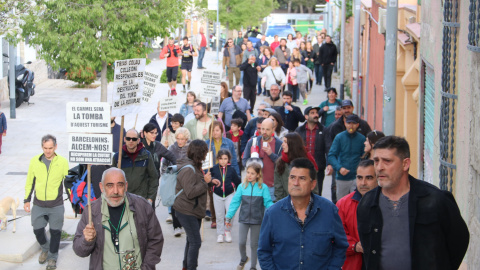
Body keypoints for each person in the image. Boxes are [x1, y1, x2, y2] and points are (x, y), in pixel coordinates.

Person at [357, 136, 470, 270]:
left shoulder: (435, 200)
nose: (379, 167)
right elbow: (369, 250)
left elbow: (459, 241)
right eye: (376, 161)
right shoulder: (367, 203)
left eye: (387, 161)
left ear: (405, 164)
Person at [258, 158, 349, 270]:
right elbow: (264, 251)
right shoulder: (272, 214)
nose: (295, 183)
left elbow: (341, 246)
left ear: (313, 184)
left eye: (302, 178)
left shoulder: (329, 211)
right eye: (292, 178)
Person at [72, 168, 163, 269]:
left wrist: (146, 267)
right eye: (110, 185)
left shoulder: (142, 207)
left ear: (126, 186)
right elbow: (79, 250)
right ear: (101, 187)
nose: (115, 191)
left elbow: (156, 240)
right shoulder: (91, 211)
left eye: (120, 185)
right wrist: (87, 240)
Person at [173, 140, 221, 270]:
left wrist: (210, 182)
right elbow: (190, 192)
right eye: (205, 152)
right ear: (199, 153)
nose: (206, 155)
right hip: (186, 210)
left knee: (191, 240)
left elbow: (196, 183)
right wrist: (205, 183)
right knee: (195, 242)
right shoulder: (188, 169)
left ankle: (186, 266)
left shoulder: (195, 165)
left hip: (193, 210)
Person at [24, 135, 69, 270]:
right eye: (45, 148)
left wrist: (74, 202)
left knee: (55, 232)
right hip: (38, 204)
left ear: (55, 147)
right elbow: (30, 182)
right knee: (37, 229)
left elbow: (68, 183)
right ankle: (45, 248)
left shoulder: (62, 162)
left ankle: (52, 258)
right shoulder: (34, 161)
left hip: (56, 204)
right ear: (42, 147)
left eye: (50, 148)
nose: (48, 151)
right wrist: (27, 200)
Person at [225, 162, 274, 270]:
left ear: (258, 175)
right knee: (241, 242)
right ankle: (243, 258)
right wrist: (228, 216)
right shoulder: (242, 187)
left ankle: (253, 267)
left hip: (257, 220)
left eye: (252, 173)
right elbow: (235, 202)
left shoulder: (263, 188)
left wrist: (276, 210)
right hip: (244, 219)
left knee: (254, 245)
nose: (249, 175)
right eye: (248, 172)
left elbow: (268, 203)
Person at [336, 159, 378, 270]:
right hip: (354, 264)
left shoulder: (387, 202)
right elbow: (336, 236)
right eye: (360, 178)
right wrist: (355, 246)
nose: (363, 183)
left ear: (378, 178)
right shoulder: (343, 204)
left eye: (369, 178)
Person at [112, 129, 159, 205]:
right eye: (128, 138)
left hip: (141, 199)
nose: (131, 141)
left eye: (134, 139)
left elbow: (154, 177)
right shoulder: (118, 157)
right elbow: (111, 179)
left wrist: (150, 198)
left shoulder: (146, 155)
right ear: (124, 139)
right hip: (122, 199)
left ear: (138, 140)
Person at [242, 118, 282, 202]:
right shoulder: (253, 142)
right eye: (262, 129)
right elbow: (244, 160)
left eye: (267, 129)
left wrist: (271, 154)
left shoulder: (279, 144)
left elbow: (282, 164)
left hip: (271, 187)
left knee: (269, 213)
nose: (264, 132)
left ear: (273, 129)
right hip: (254, 185)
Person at [328, 115, 366, 200]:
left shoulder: (361, 138)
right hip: (342, 177)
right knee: (341, 203)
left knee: (357, 202)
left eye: (353, 123)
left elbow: (364, 157)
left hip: (357, 177)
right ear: (345, 124)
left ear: (357, 125)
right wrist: (339, 168)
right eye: (349, 123)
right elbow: (331, 155)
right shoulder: (339, 137)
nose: (351, 126)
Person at [161, 127, 191, 235]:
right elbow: (164, 163)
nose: (180, 141)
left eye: (183, 139)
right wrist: (165, 176)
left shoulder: (191, 148)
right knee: (175, 203)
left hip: (187, 179)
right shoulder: (171, 148)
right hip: (174, 179)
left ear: (187, 139)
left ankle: (186, 224)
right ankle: (176, 226)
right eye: (178, 138)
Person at [274, 133, 319, 200]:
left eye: (285, 142)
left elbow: (313, 187)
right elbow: (278, 188)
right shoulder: (280, 162)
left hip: (305, 202)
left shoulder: (307, 162)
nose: (282, 144)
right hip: (287, 202)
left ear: (292, 145)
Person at [210, 149, 242, 243]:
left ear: (228, 159)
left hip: (229, 194)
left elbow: (237, 182)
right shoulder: (214, 169)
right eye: (221, 158)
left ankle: (227, 231)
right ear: (217, 159)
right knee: (219, 215)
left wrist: (236, 191)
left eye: (225, 158)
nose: (223, 161)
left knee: (230, 214)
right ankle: (220, 233)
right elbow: (209, 181)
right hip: (217, 195)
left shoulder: (231, 169)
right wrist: (211, 181)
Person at [295, 106, 327, 195]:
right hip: (303, 167)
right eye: (312, 113)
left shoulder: (323, 130)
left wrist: (329, 164)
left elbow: (328, 147)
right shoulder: (299, 130)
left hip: (318, 168)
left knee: (317, 193)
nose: (316, 115)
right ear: (306, 116)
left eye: (316, 113)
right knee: (302, 191)